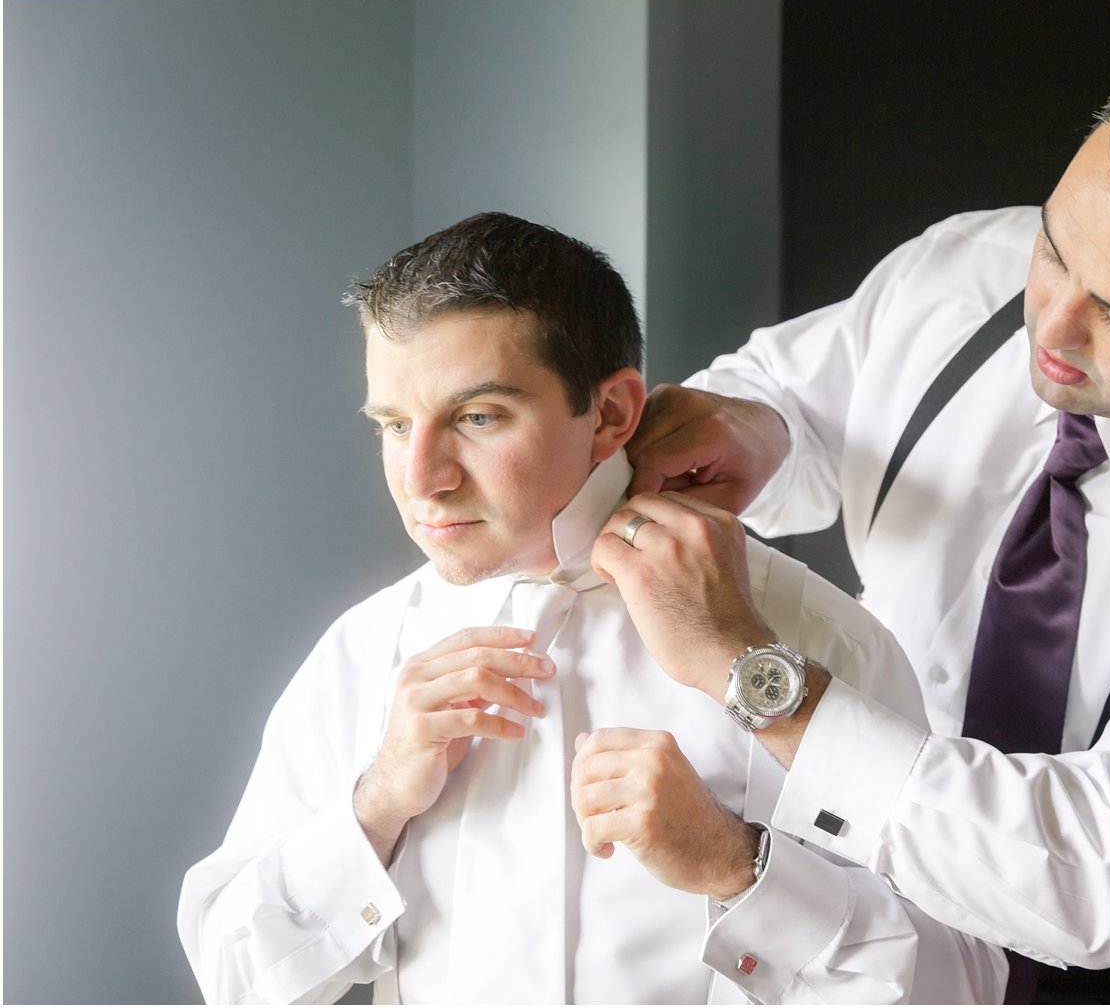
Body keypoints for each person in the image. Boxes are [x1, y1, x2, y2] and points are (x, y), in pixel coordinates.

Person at [599, 37, 1110, 1003]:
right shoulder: (970, 264)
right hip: (836, 925)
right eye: (1055, 252)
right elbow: (807, 398)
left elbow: (1105, 876)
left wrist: (757, 680)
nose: (1051, 327)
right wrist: (758, 430)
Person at [176, 213, 1005, 1004]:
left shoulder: (813, 643)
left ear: (610, 413)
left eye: (477, 417)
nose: (422, 477)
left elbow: (961, 989)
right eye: (394, 425)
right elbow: (234, 977)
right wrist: (378, 802)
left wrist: (739, 867)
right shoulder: (363, 656)